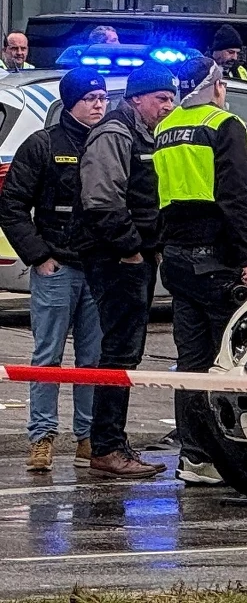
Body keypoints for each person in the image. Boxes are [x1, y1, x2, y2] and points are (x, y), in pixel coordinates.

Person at [153, 57, 247, 485]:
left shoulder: (166, 128)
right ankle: (227, 453)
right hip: (217, 257)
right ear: (216, 84)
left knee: (191, 362)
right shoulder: (225, 125)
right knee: (226, 361)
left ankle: (194, 455)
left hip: (178, 257)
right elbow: (236, 198)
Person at [0, 68, 107, 472]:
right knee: (47, 356)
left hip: (97, 268)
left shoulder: (110, 142)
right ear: (71, 102)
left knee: (93, 359)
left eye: (102, 98)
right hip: (56, 269)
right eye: (90, 99)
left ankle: (89, 438)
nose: (98, 105)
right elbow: (11, 207)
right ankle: (42, 438)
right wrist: (39, 256)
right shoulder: (43, 145)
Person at [75, 63, 178, 479]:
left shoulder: (143, 134)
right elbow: (101, 200)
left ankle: (110, 443)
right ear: (138, 99)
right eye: (161, 99)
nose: (168, 106)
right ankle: (107, 446)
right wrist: (132, 250)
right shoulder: (116, 133)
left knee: (124, 351)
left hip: (130, 254)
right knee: (118, 351)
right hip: (115, 257)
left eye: (171, 98)